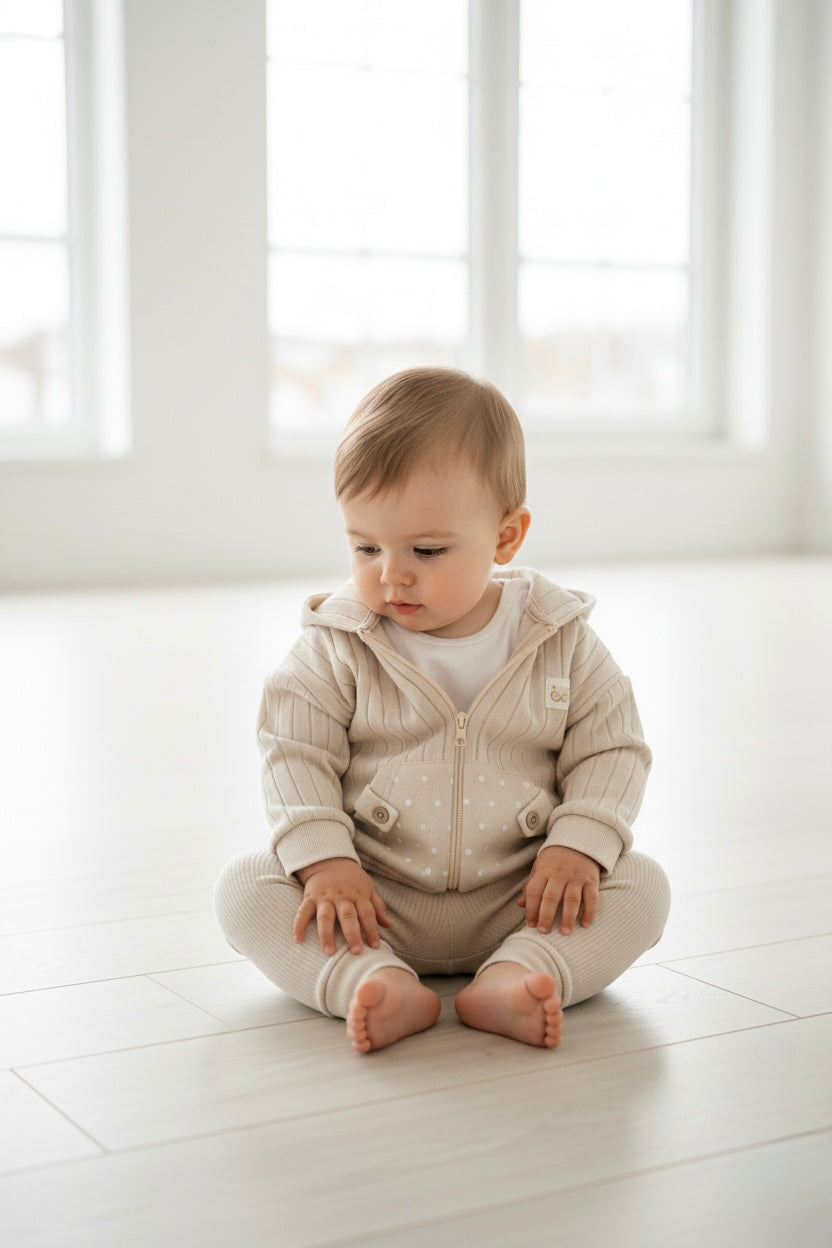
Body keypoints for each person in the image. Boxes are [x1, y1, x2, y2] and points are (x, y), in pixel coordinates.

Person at [215, 367, 670, 1054]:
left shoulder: (560, 635)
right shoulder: (340, 644)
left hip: (523, 896)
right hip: (373, 899)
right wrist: (325, 864)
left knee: (644, 886)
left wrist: (579, 846)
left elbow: (613, 748)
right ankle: (371, 980)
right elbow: (293, 753)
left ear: (506, 538)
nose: (390, 574)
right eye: (365, 546)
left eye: (425, 551)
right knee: (245, 889)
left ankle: (521, 974)